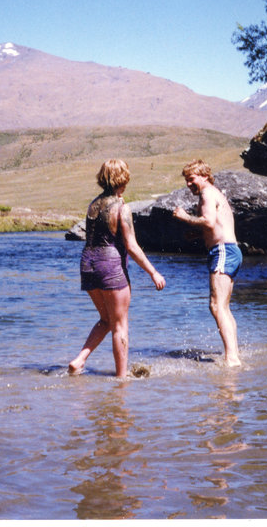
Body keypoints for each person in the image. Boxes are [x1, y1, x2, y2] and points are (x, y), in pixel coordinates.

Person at [69, 159, 166, 378]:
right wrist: (153, 272)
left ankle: (79, 360)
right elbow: (131, 246)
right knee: (120, 325)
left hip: (87, 264)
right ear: (124, 178)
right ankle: (121, 379)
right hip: (110, 265)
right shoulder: (122, 208)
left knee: (106, 320)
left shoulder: (93, 204)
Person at [172, 159, 242, 367]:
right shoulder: (215, 193)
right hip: (230, 250)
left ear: (204, 176)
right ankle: (234, 354)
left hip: (222, 251)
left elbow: (209, 221)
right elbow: (216, 224)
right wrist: (197, 233)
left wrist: (185, 217)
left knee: (216, 305)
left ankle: (231, 357)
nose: (188, 184)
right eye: (186, 180)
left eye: (191, 179)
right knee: (224, 307)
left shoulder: (206, 193)